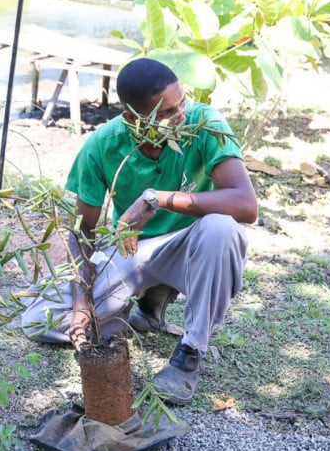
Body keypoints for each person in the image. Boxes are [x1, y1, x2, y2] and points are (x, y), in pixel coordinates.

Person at [20, 58, 258, 404]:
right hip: (135, 251)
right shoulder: (102, 145)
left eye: (183, 103)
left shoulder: (204, 122)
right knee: (42, 323)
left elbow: (245, 205)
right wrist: (83, 300)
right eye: (168, 113)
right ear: (133, 119)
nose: (182, 117)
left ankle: (190, 351)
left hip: (191, 248)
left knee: (222, 228)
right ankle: (146, 304)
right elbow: (83, 231)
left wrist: (156, 199)